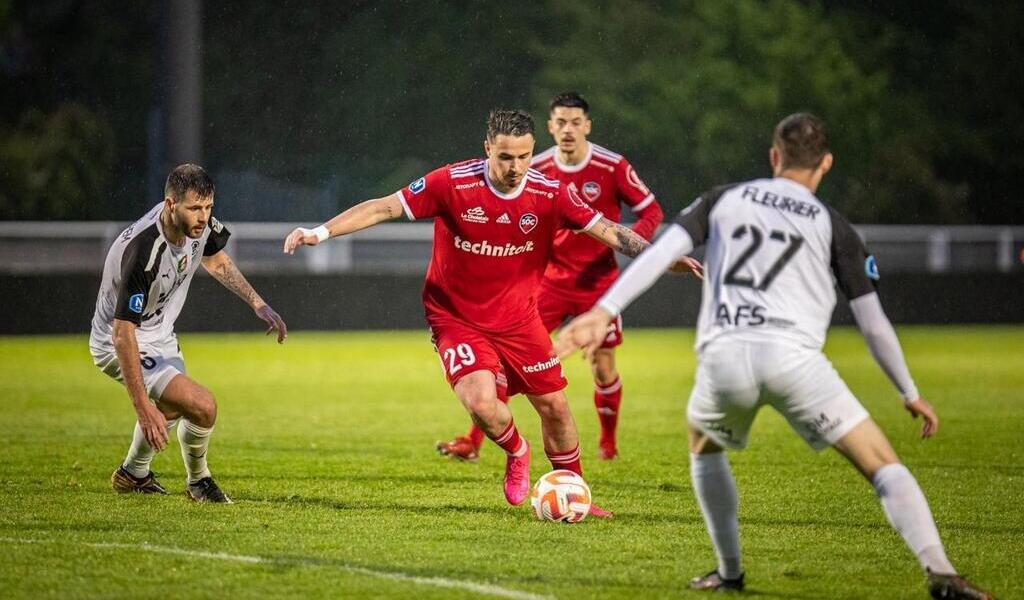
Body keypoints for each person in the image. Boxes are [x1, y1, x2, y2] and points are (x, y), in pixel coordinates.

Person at [554, 114, 992, 598]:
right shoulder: (833, 225)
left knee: (705, 445)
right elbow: (873, 322)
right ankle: (939, 569)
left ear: (774, 156)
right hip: (796, 361)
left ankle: (730, 571)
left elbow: (661, 252)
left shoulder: (724, 198)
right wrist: (909, 391)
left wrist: (604, 309)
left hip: (725, 357)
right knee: (881, 462)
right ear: (825, 163)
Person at [283, 109, 700, 516]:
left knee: (555, 406)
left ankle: (576, 495)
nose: (516, 167)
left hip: (519, 318)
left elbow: (610, 231)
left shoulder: (549, 192)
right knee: (483, 404)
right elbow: (382, 208)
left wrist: (664, 257)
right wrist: (320, 232)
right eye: (505, 157)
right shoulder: (451, 182)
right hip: (455, 317)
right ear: (487, 149)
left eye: (523, 156)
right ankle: (517, 450)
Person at [436, 92, 665, 462]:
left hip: (599, 286)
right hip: (549, 283)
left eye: (576, 122)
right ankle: (473, 441)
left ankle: (608, 444)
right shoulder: (533, 167)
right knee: (508, 364)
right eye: (560, 122)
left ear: (587, 126)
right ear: (549, 127)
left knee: (603, 366)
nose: (568, 129)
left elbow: (651, 211)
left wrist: (631, 252)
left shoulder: (612, 166)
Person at [90, 164, 288, 504]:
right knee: (203, 406)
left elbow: (216, 261)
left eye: (208, 207)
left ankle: (132, 474)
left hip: (159, 333)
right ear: (170, 205)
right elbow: (123, 334)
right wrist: (141, 407)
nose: (203, 216)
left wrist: (258, 303)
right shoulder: (144, 253)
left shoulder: (199, 227)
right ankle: (199, 482)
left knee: (173, 405)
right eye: (195, 208)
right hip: (118, 340)